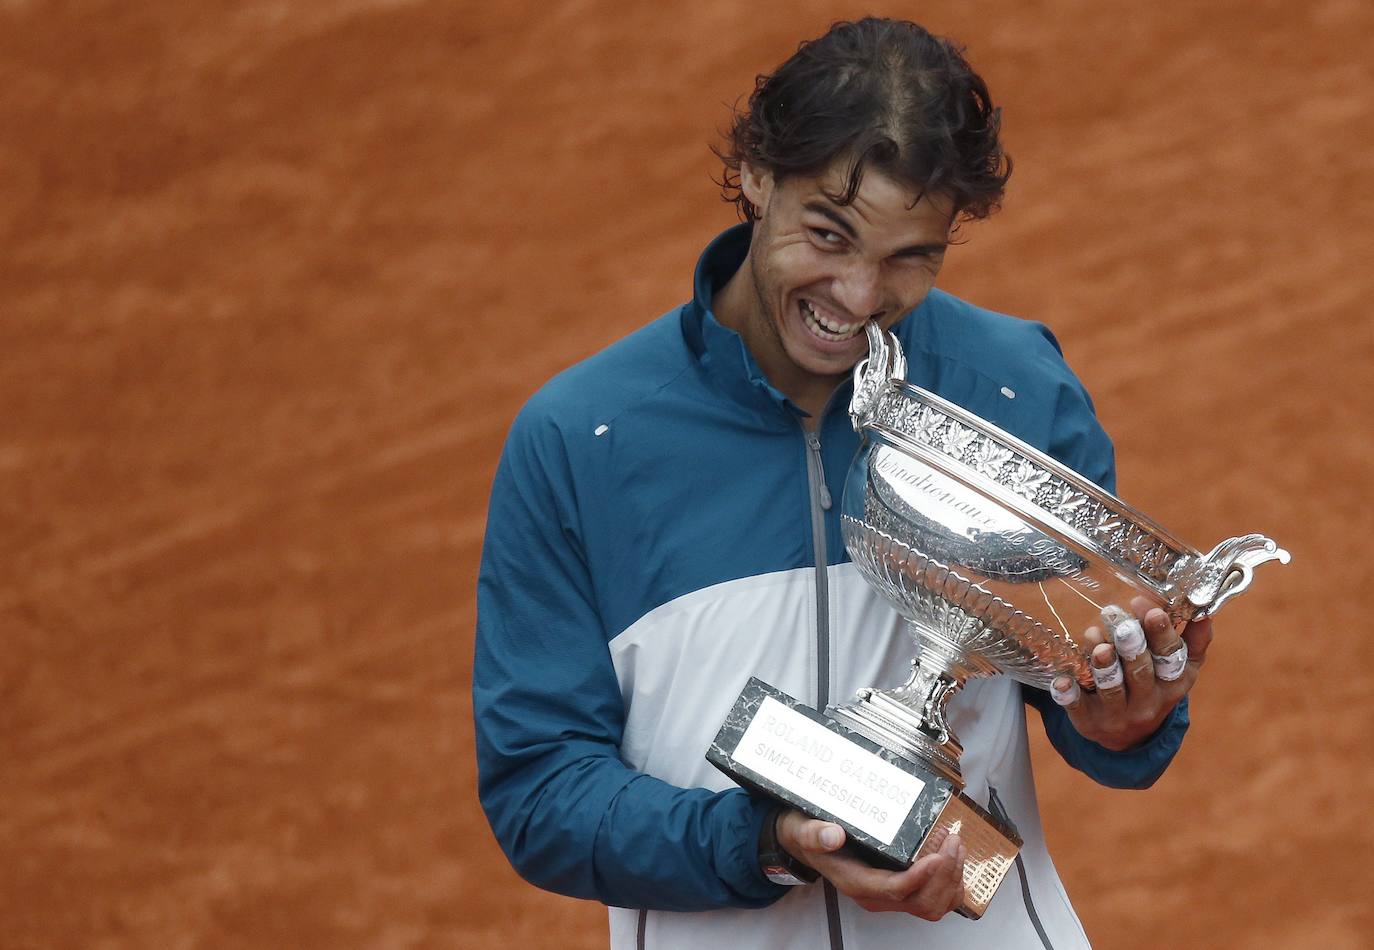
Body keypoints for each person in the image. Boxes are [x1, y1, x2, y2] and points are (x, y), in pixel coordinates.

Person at [474, 17, 1213, 950]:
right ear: (755, 176)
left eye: (913, 255)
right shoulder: (582, 438)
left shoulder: (1017, 384)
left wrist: (1124, 720)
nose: (859, 299)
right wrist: (765, 841)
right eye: (830, 234)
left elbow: (1077, 704)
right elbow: (540, 790)